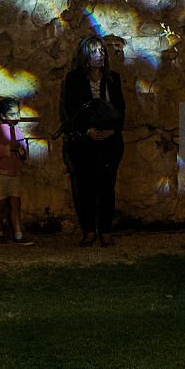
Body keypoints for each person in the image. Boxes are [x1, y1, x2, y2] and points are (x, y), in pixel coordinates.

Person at [59, 35, 125, 247]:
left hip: (109, 142)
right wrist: (87, 131)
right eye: (95, 52)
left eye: (102, 52)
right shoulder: (74, 79)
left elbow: (121, 109)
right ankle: (88, 230)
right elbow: (70, 109)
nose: (100, 56)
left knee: (107, 187)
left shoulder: (113, 79)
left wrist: (111, 131)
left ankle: (106, 230)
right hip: (84, 143)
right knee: (85, 187)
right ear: (85, 57)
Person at [0, 98, 34, 246]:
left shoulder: (16, 129)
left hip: (13, 171)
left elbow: (22, 145)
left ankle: (18, 233)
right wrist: (9, 148)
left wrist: (22, 152)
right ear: (3, 115)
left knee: (15, 203)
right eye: (12, 114)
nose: (16, 117)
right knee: (0, 203)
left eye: (17, 113)